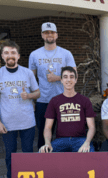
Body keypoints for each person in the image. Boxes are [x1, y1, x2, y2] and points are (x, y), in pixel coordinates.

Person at [0, 41, 40, 178]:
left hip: (27, 121)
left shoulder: (27, 73)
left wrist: (29, 95)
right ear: (2, 56)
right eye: (6, 53)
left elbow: (37, 93)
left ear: (18, 55)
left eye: (13, 53)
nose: (10, 56)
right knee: (10, 155)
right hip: (7, 123)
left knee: (28, 153)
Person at [29, 22, 77, 150]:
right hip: (43, 101)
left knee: (65, 133)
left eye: (52, 32)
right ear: (42, 35)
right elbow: (30, 79)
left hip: (63, 99)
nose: (49, 35)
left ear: (56, 35)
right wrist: (31, 99)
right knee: (43, 134)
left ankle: (63, 162)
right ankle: (43, 162)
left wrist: (57, 78)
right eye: (46, 32)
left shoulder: (66, 53)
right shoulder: (34, 55)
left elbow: (74, 74)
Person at [39, 66, 96, 153]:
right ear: (61, 80)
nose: (68, 80)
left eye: (71, 77)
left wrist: (87, 143)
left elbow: (91, 127)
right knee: (42, 154)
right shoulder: (55, 101)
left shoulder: (84, 100)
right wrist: (47, 143)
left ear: (76, 80)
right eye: (65, 77)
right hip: (60, 141)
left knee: (91, 154)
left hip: (80, 140)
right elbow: (47, 127)